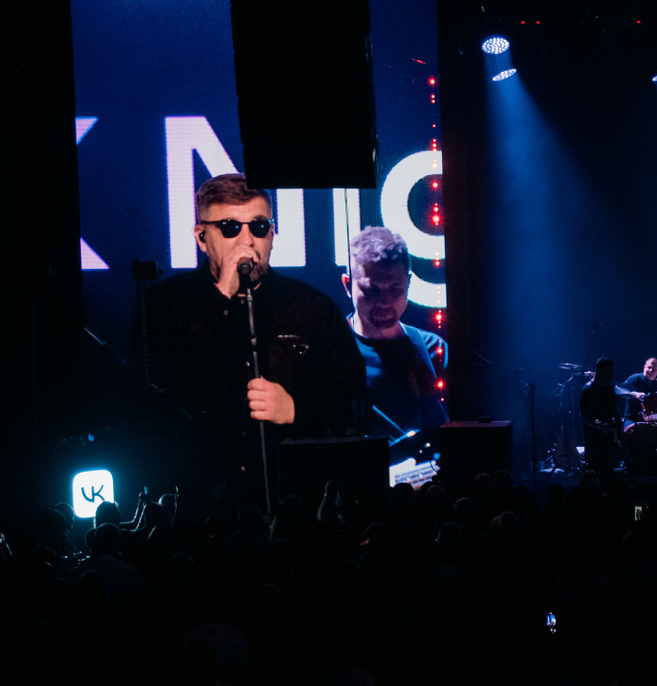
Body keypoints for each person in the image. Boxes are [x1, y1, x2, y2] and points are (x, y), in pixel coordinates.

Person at [145, 174, 365, 501]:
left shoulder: (312, 307)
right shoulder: (166, 304)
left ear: (272, 234)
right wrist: (222, 295)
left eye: (259, 227)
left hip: (292, 495)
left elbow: (355, 403)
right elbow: (158, 392)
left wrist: (295, 410)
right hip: (203, 498)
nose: (247, 241)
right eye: (230, 228)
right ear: (202, 237)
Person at [343, 227, 448, 436]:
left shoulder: (434, 350)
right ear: (348, 285)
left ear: (408, 284)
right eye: (372, 291)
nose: (385, 302)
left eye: (395, 290)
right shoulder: (330, 350)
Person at [579, 358, 623, 474]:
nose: (611, 375)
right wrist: (598, 425)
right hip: (593, 438)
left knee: (608, 471)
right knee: (594, 469)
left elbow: (615, 410)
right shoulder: (588, 390)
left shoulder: (609, 388)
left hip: (608, 437)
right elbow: (584, 416)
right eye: (609, 372)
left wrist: (619, 429)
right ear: (601, 371)